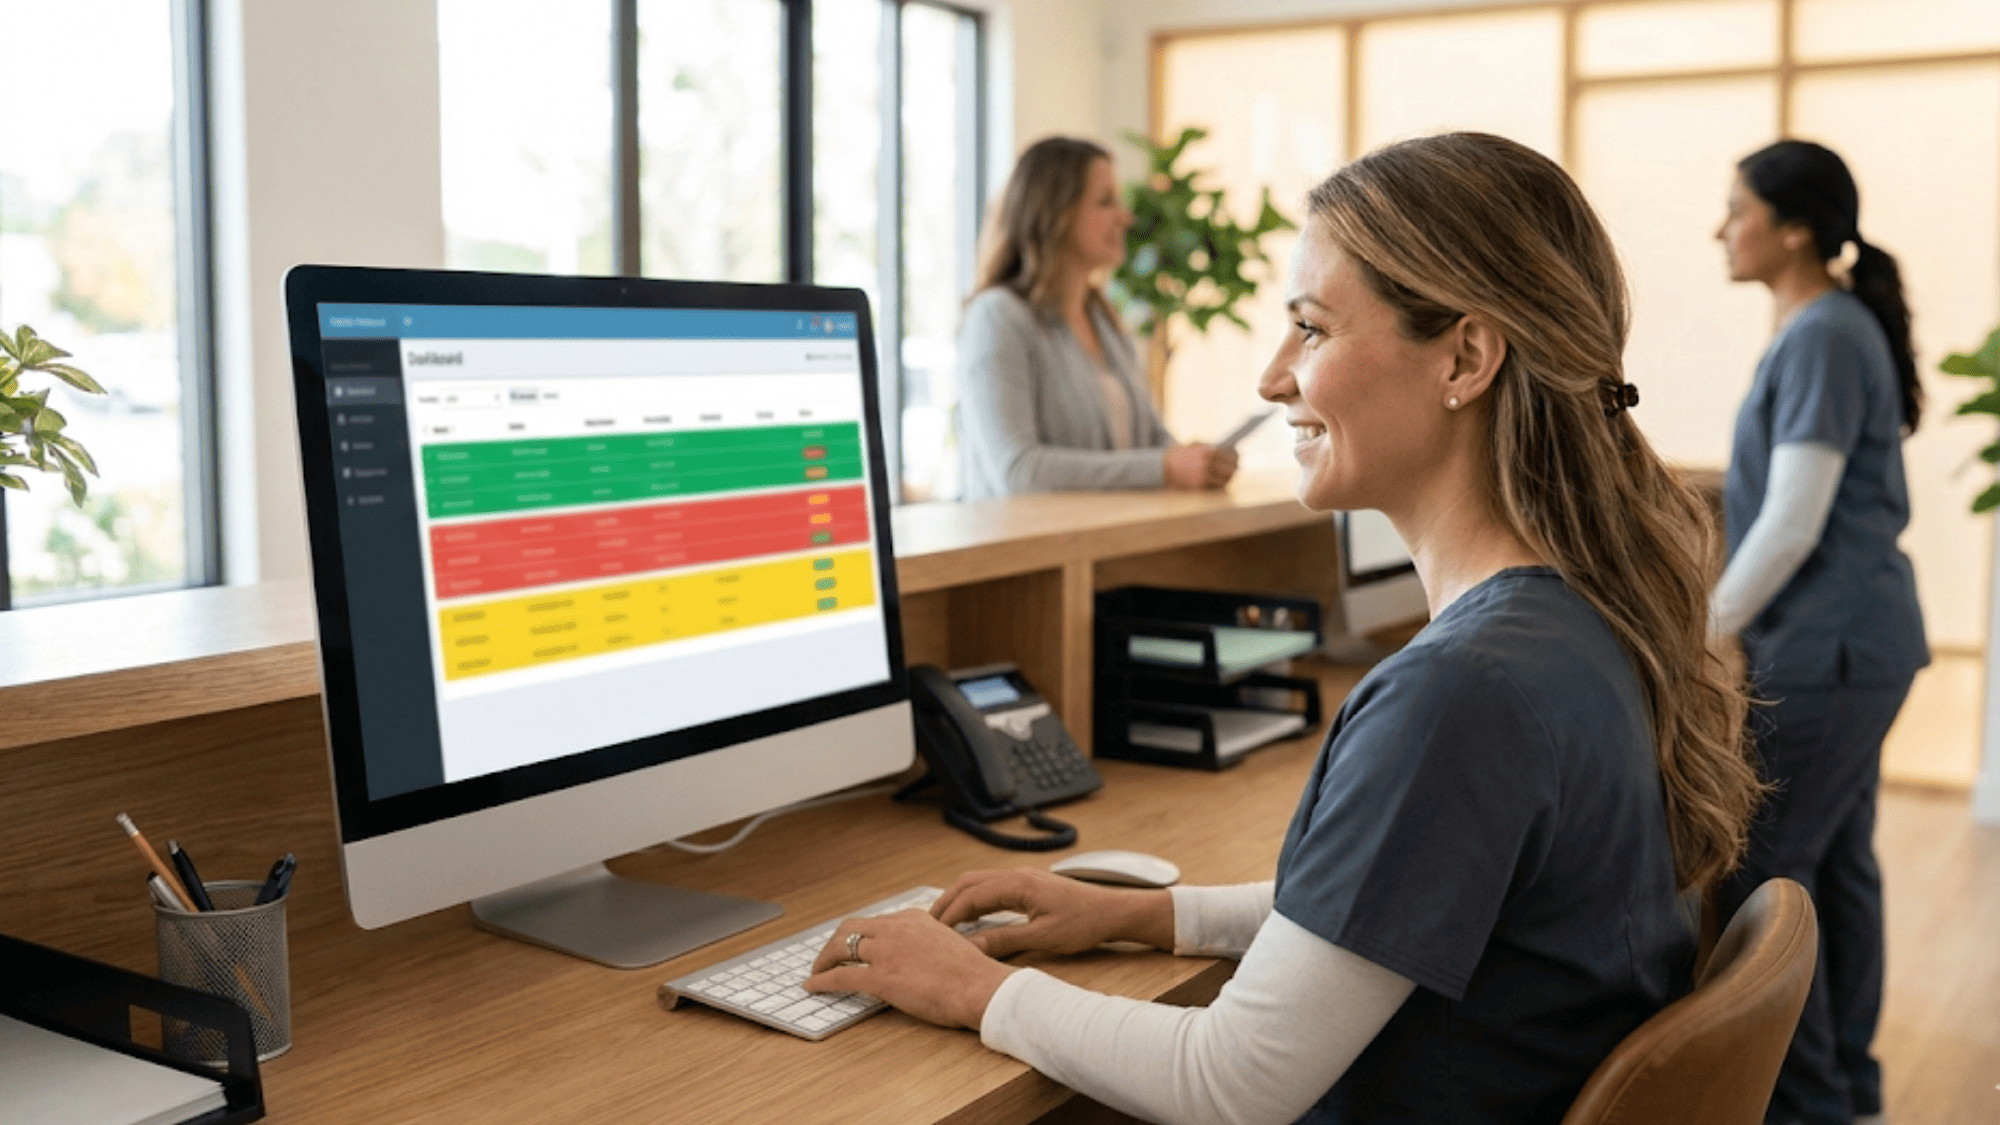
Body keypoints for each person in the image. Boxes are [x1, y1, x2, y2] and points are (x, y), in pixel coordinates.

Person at [806, 133, 1763, 1125]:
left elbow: (1230, 1082)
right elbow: (1393, 906)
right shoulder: (1572, 619)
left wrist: (971, 989)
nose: (1269, 381)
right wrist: (1145, 914)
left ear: (1466, 358)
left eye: (1308, 328)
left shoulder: (1460, 695)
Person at [1710, 139, 1928, 1125]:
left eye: (1735, 208)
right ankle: (1847, 1094)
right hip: (1855, 641)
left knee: (1768, 877)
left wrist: (1694, 633)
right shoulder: (1820, 326)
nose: (1720, 228)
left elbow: (1791, 521)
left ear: (1791, 228)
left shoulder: (1824, 336)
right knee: (1833, 866)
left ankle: (1806, 1106)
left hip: (1829, 649)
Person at [955, 136, 1238, 499]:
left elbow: (1151, 437)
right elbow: (1019, 470)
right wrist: (1163, 467)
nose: (1125, 216)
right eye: (1105, 201)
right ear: (1055, 212)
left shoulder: (1101, 316)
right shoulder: (997, 317)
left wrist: (1195, 461)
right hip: (1031, 550)